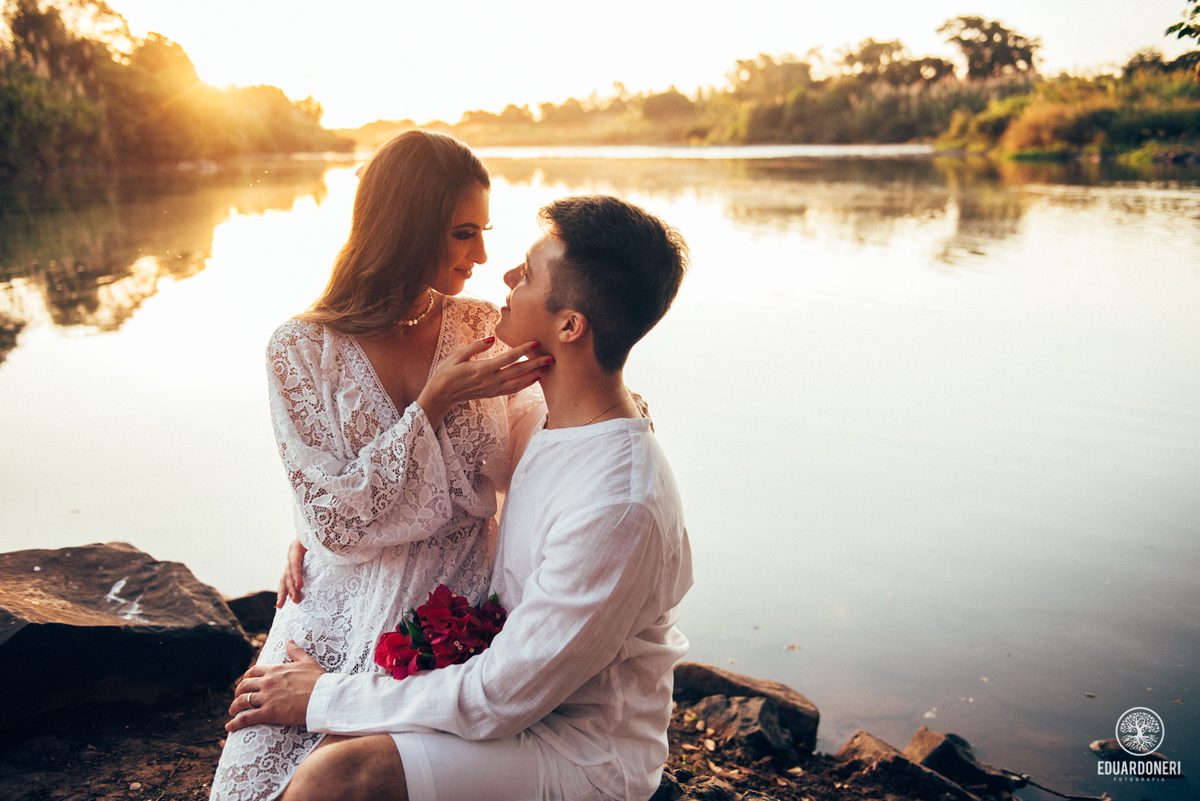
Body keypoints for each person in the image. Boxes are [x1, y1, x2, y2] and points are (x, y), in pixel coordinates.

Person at [224, 195, 693, 801]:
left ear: (570, 326)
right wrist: (318, 534)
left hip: (580, 749)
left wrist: (323, 696)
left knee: (337, 774)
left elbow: (498, 696)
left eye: (529, 273)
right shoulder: (549, 424)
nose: (505, 274)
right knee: (312, 748)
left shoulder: (617, 503)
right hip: (521, 703)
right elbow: (449, 473)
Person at [210, 131, 551, 801]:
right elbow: (331, 522)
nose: (483, 257)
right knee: (257, 783)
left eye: (483, 233)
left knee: (349, 774)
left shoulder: (484, 326)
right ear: (406, 225)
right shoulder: (299, 348)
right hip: (334, 601)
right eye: (463, 234)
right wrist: (432, 403)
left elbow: (553, 435)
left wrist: (627, 432)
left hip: (452, 602)